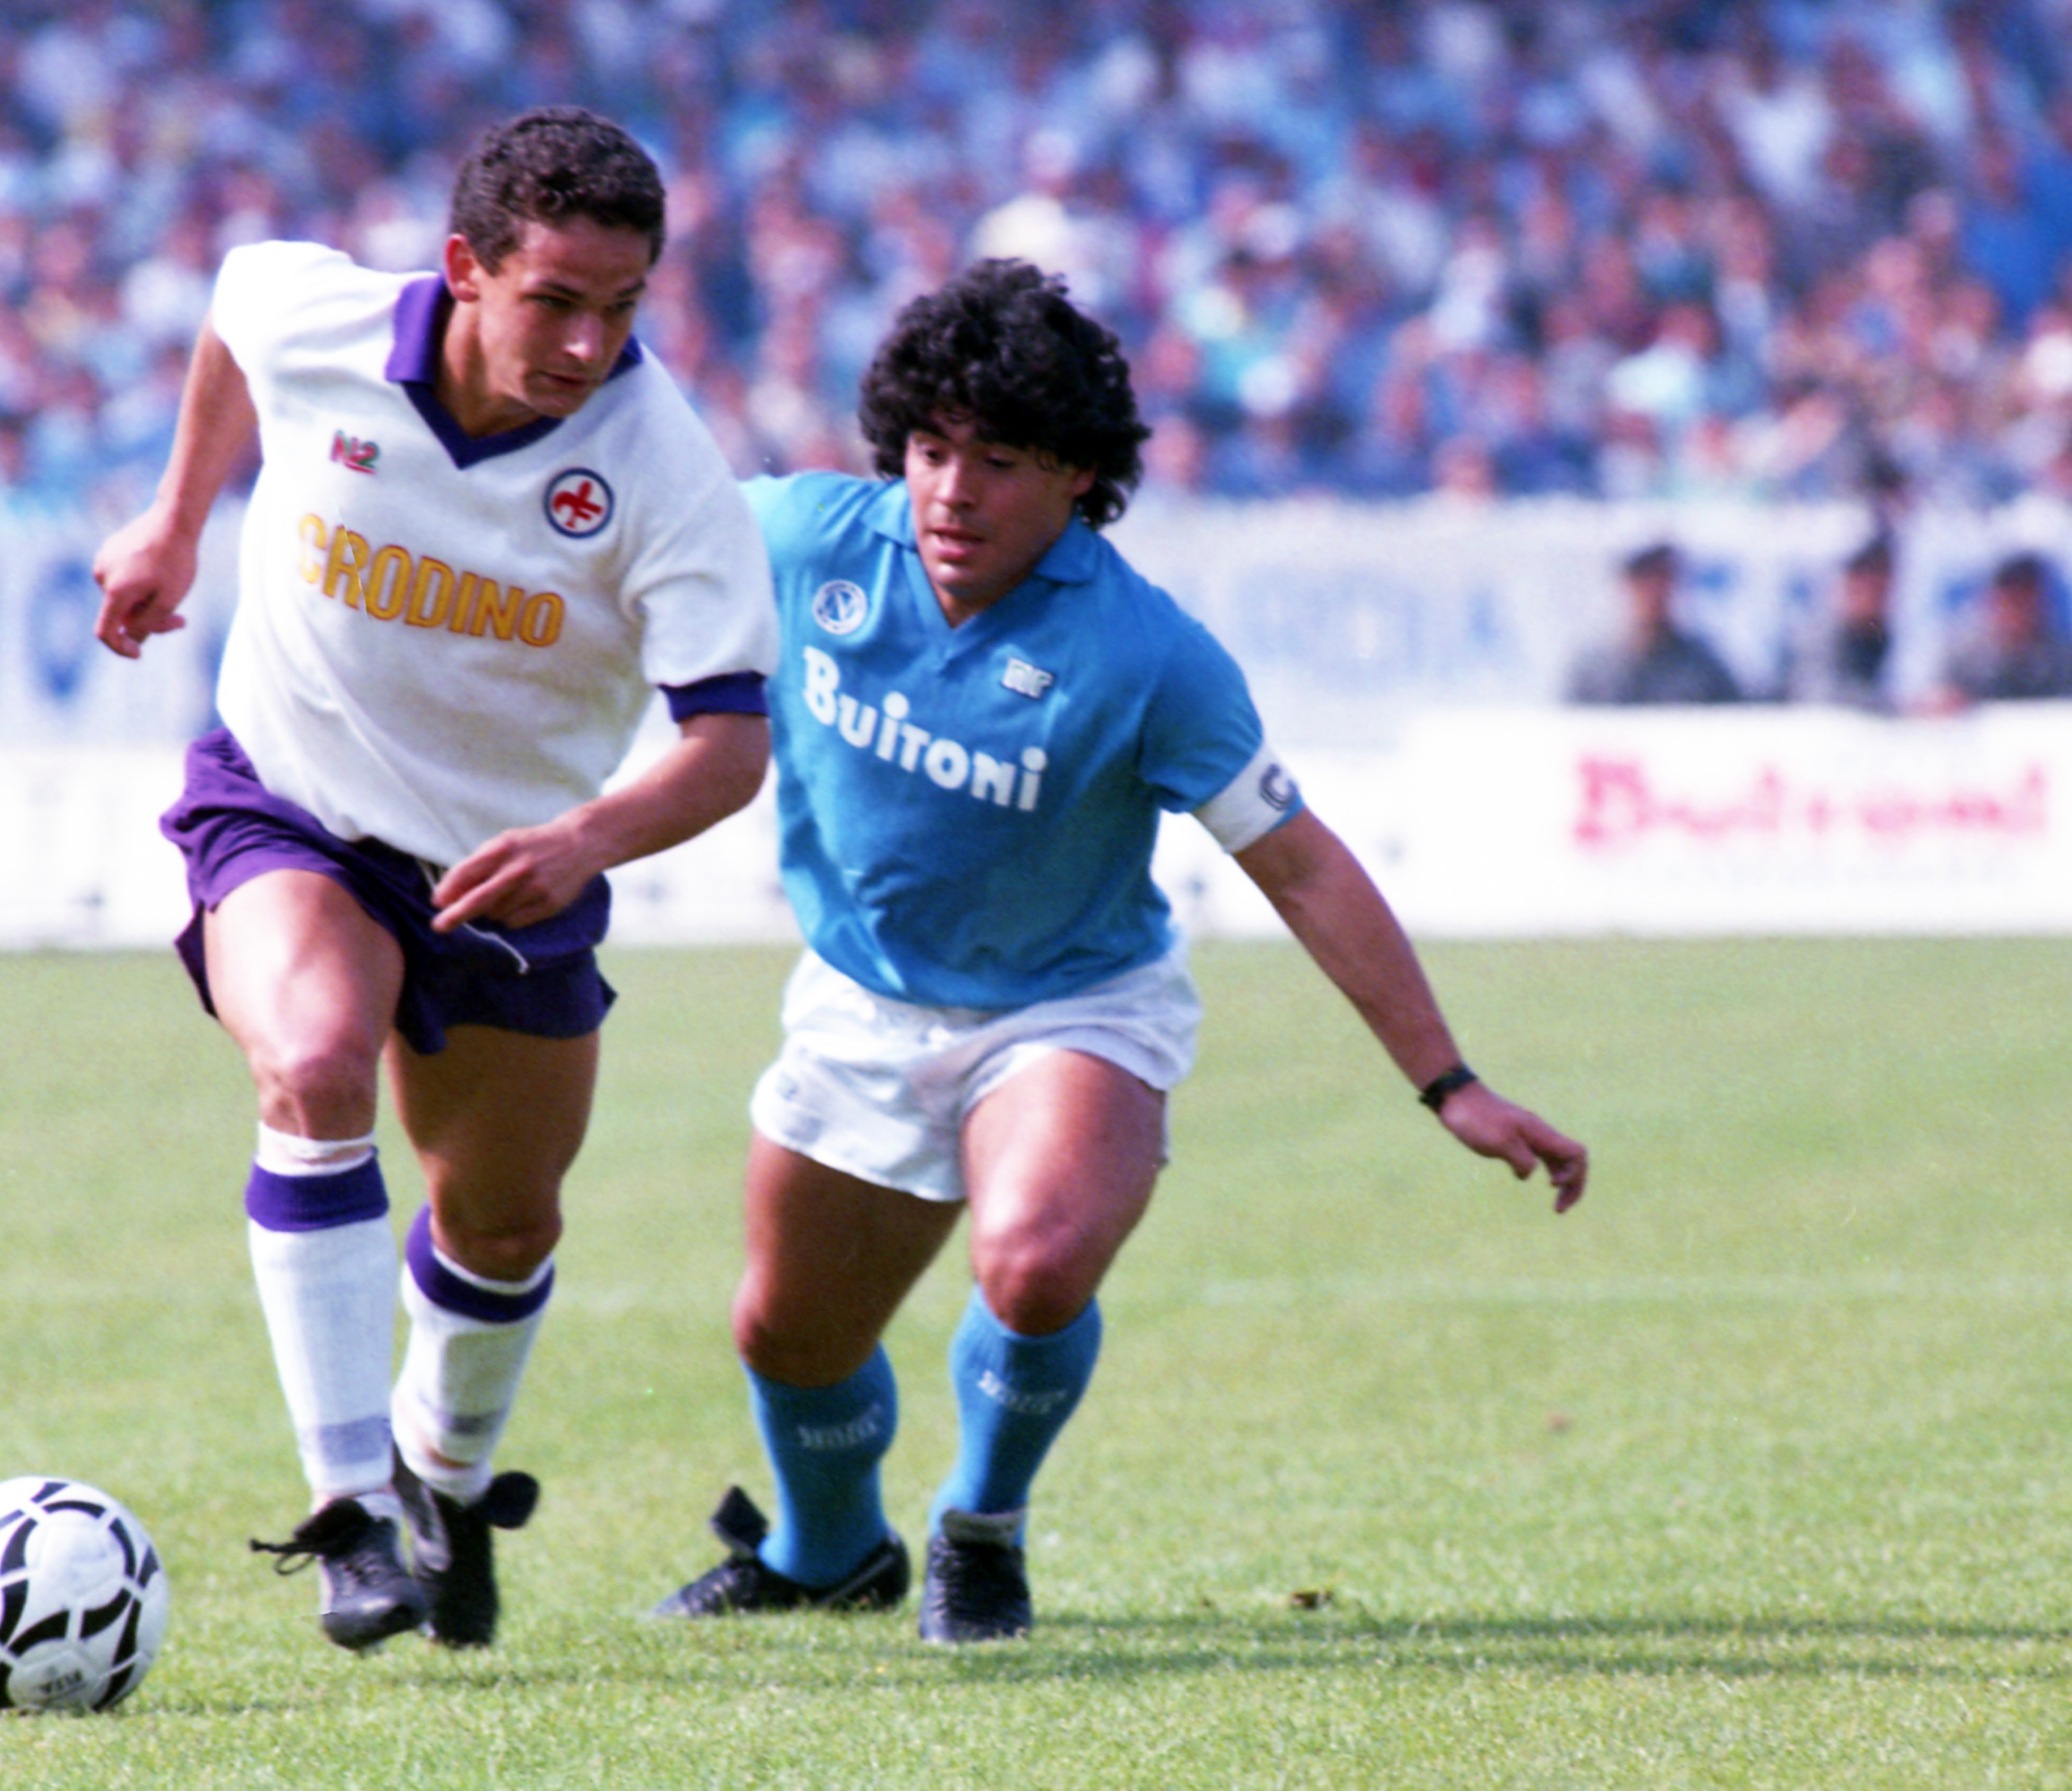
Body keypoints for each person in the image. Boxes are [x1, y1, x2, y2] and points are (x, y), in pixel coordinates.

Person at [654, 260, 1588, 1645]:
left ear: (1082, 477)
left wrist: (1448, 1080)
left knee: (1030, 1261)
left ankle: (982, 1524)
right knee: (785, 1335)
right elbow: (613, 551)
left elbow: (1302, 861)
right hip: (860, 998)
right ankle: (828, 1549)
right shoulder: (795, 540)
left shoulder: (1150, 655)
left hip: (1070, 1006)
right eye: (928, 451)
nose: (951, 492)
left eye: (999, 461)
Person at [89, 108, 776, 1654]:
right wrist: (176, 516)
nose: (590, 342)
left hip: (513, 872)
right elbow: (231, 315)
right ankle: (347, 1513)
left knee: (503, 1223)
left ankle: (441, 1481)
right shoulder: (321, 319)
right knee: (318, 1057)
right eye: (556, 301)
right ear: (465, 270)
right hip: (293, 803)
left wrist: (588, 840)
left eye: (624, 307)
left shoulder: (663, 473)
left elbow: (732, 744)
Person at [1564, 540, 1745, 705]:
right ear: (1628, 586)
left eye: (1664, 580)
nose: (1655, 592)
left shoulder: (1701, 667)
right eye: (1646, 580)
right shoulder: (1595, 668)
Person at [1928, 550, 2072, 708]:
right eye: (2013, 601)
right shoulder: (1963, 653)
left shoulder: (2060, 655)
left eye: (2028, 601)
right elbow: (1934, 696)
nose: (2021, 612)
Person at [1779, 531, 1899, 712]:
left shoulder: (1903, 636)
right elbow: (1817, 698)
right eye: (1862, 587)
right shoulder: (1817, 639)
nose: (1870, 597)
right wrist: (1893, 707)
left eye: (1879, 588)